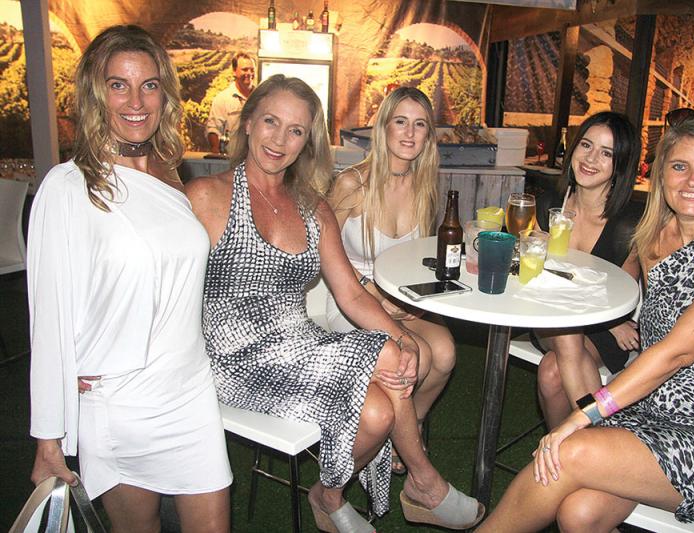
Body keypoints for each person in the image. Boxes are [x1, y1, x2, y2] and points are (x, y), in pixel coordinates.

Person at [186, 75, 483, 532]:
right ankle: (424, 483)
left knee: (381, 408)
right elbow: (168, 293)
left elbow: (351, 293)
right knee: (389, 362)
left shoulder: (312, 207)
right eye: (270, 122)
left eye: (296, 131)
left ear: (308, 141)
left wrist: (403, 337)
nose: (279, 140)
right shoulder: (205, 196)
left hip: (299, 340)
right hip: (234, 356)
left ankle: (327, 495)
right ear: (247, 123)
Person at [476, 116, 694, 532]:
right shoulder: (654, 238)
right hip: (654, 413)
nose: (693, 180)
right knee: (580, 513)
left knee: (570, 450)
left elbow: (676, 352)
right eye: (679, 166)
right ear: (661, 176)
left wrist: (583, 415)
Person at [27, 25, 232, 532]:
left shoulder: (171, 176)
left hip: (190, 388)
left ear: (165, 94)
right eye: (118, 85)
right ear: (96, 94)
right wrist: (48, 441)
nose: (136, 102)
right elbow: (48, 316)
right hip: (121, 400)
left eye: (149, 85)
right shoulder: (69, 187)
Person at [326, 86, 455, 475]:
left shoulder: (423, 185)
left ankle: (409, 427)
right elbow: (321, 251)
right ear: (383, 128)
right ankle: (407, 446)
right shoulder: (352, 184)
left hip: (398, 296)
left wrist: (408, 300)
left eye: (420, 124)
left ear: (429, 135)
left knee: (445, 353)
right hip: (349, 295)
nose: (410, 133)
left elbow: (415, 258)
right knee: (421, 356)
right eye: (401, 121)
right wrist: (373, 293)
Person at [531, 111, 642, 429]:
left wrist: (612, 323)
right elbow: (529, 277)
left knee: (552, 372)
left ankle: (562, 447)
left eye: (606, 153)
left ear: (620, 164)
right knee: (566, 330)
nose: (591, 159)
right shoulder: (549, 204)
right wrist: (534, 249)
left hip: (602, 325)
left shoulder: (629, 224)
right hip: (549, 316)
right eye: (586, 145)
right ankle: (599, 436)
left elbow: (622, 293)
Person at [205, 51, 255, 153]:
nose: (249, 73)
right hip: (231, 158)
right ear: (234, 71)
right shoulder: (222, 99)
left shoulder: (261, 98)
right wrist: (216, 152)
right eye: (245, 69)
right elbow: (213, 129)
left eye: (252, 70)